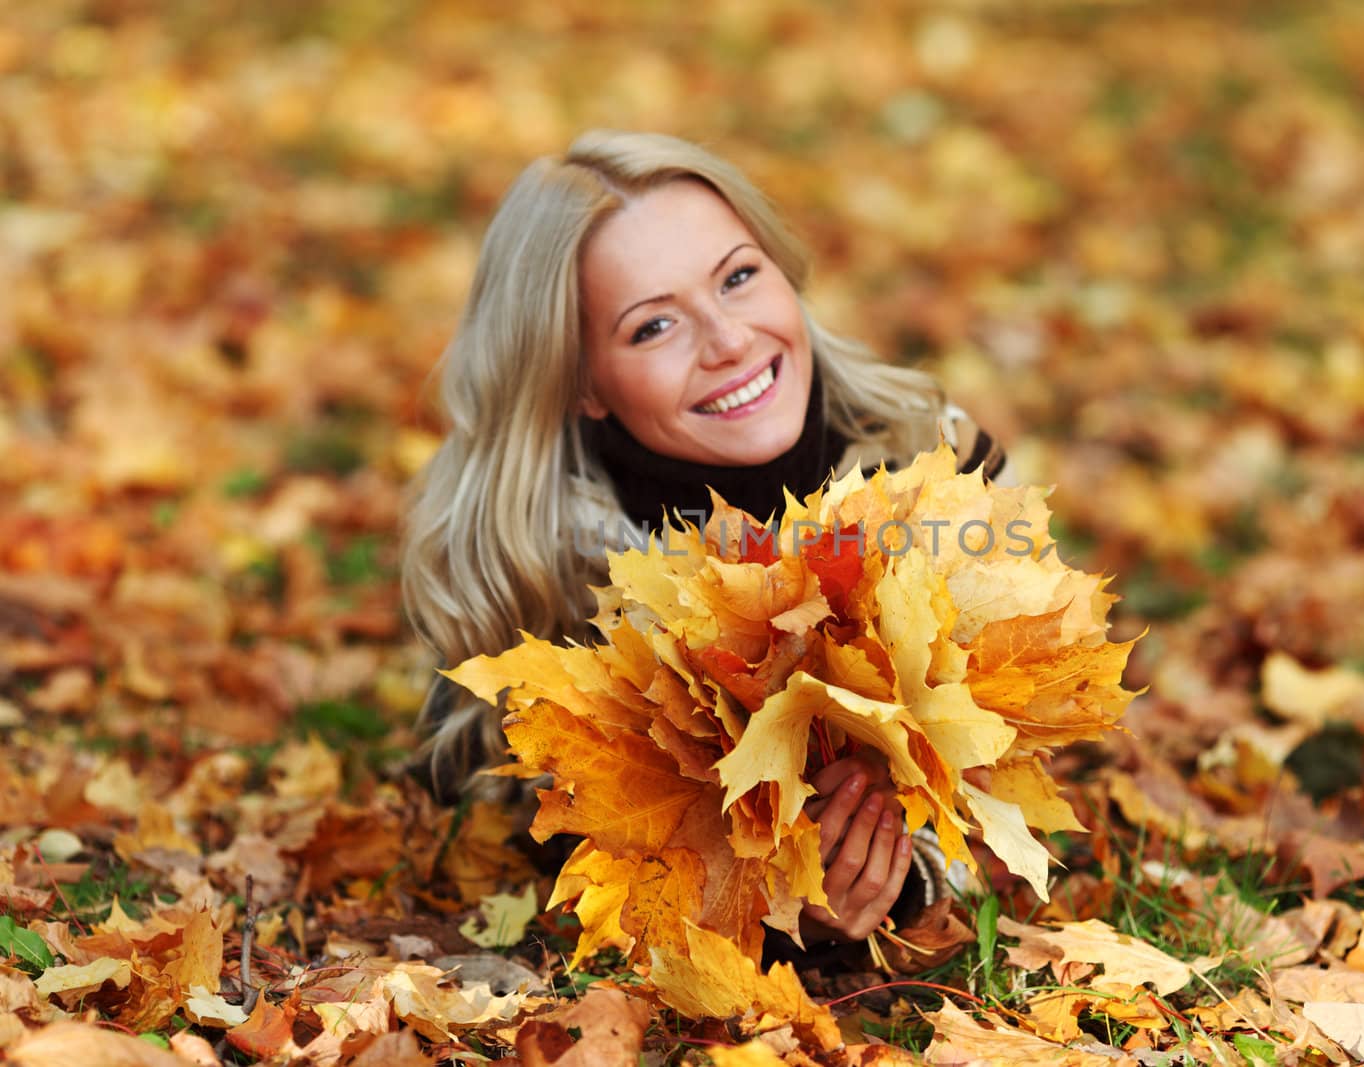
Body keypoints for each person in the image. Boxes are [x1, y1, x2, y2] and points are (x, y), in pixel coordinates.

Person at [401, 130, 1006, 949]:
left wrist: (907, 870)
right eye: (653, 327)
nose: (727, 341)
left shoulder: (928, 469)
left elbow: (1012, 762)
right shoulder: (545, 554)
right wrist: (747, 883)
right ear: (579, 380)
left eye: (739, 277)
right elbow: (500, 804)